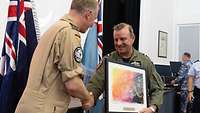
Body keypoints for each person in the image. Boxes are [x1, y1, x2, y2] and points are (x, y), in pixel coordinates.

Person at [15, 0, 98, 113]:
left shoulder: (56, 28)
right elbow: (72, 84)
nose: (93, 24)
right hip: (43, 109)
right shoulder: (69, 33)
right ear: (88, 14)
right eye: (94, 19)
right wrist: (87, 98)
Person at [82, 23, 164, 113]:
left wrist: (152, 108)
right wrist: (90, 98)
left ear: (132, 38)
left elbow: (157, 88)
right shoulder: (108, 60)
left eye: (122, 39)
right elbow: (95, 85)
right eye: (116, 40)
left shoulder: (145, 61)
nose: (118, 43)